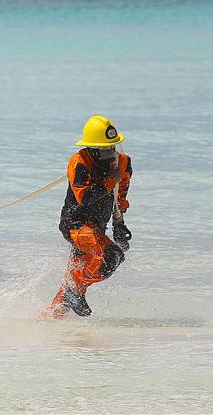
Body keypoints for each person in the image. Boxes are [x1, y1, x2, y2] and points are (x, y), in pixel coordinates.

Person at [44, 115, 133, 318]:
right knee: (112, 257)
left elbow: (120, 194)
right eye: (104, 151)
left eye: (112, 148)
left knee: (73, 284)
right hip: (76, 226)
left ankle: (48, 321)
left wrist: (119, 224)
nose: (110, 154)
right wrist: (109, 182)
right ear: (92, 148)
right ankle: (72, 293)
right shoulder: (80, 162)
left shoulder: (123, 162)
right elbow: (84, 197)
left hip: (98, 228)